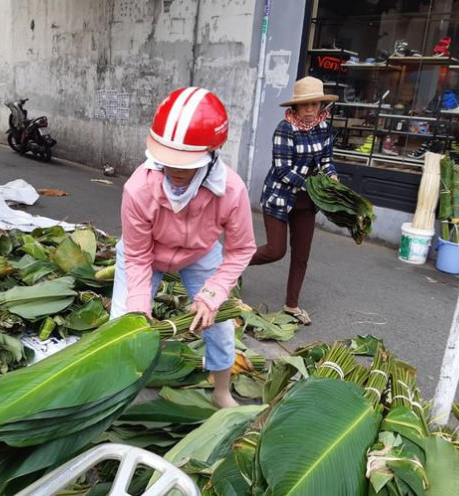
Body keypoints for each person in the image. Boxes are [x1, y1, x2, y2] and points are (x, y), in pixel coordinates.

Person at [110, 87, 256, 408]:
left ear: (214, 151)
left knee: (217, 323)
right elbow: (136, 254)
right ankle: (117, 393)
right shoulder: (138, 188)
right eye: (168, 161)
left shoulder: (231, 190)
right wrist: (138, 306)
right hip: (145, 255)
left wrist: (214, 293)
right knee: (123, 323)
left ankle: (221, 392)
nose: (175, 171)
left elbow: (241, 249)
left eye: (186, 163)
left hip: (200, 253)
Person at [249, 76, 339, 326]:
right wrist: (313, 184)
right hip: (280, 196)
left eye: (315, 104)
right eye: (305, 105)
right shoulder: (285, 128)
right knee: (275, 251)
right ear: (296, 107)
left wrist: (331, 175)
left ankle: (291, 305)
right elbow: (282, 170)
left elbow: (327, 160)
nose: (310, 110)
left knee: (301, 255)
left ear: (321, 105)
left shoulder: (324, 128)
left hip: (306, 202)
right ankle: (231, 266)